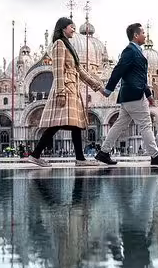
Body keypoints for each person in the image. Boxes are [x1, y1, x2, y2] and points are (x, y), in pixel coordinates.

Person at [28, 17, 103, 167]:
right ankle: (36, 155)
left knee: (76, 124)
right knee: (57, 124)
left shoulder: (69, 46)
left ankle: (79, 159)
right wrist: (61, 92)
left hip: (72, 88)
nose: (74, 30)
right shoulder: (59, 44)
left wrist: (98, 86)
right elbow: (57, 70)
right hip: (66, 89)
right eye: (71, 27)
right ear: (63, 28)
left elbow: (79, 70)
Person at [96, 23, 158, 166]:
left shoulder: (136, 51)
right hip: (134, 95)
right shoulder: (130, 51)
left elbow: (140, 77)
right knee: (145, 124)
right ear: (136, 36)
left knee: (119, 125)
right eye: (143, 33)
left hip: (130, 96)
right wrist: (108, 90)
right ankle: (155, 155)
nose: (145, 35)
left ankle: (103, 152)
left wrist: (149, 95)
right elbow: (118, 70)